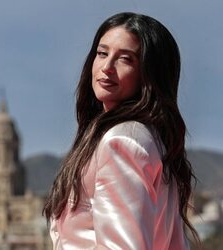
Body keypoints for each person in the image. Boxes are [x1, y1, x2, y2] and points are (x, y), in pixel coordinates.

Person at [43, 12, 199, 250]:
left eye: (126, 59)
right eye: (102, 53)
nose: (107, 67)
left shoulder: (123, 142)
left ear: (149, 74)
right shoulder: (149, 139)